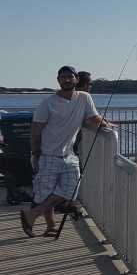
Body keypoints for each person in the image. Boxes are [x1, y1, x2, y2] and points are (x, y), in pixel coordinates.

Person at [19, 66, 109, 238]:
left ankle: (31, 215)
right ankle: (51, 226)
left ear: (76, 79)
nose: (67, 80)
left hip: (69, 156)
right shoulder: (47, 103)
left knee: (70, 190)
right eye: (63, 77)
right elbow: (36, 130)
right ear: (58, 80)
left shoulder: (84, 97)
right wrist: (35, 153)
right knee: (46, 193)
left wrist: (107, 124)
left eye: (70, 77)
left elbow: (92, 117)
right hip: (48, 156)